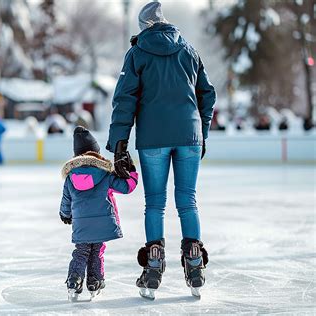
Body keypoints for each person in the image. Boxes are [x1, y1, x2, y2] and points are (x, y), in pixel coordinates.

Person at [107, 2, 216, 299]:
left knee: (155, 203)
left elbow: (124, 99)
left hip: (153, 138)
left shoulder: (137, 53)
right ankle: (194, 266)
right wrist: (201, 132)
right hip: (189, 137)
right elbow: (207, 93)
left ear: (143, 26)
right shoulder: (189, 50)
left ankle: (153, 267)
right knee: (188, 201)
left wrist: (119, 143)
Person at [60, 126, 139, 301]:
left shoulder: (71, 177)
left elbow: (66, 200)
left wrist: (65, 214)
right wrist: (131, 170)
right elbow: (127, 187)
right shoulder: (105, 174)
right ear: (96, 152)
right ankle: (95, 281)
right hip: (103, 222)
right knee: (97, 251)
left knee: (81, 252)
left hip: (81, 224)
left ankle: (74, 280)